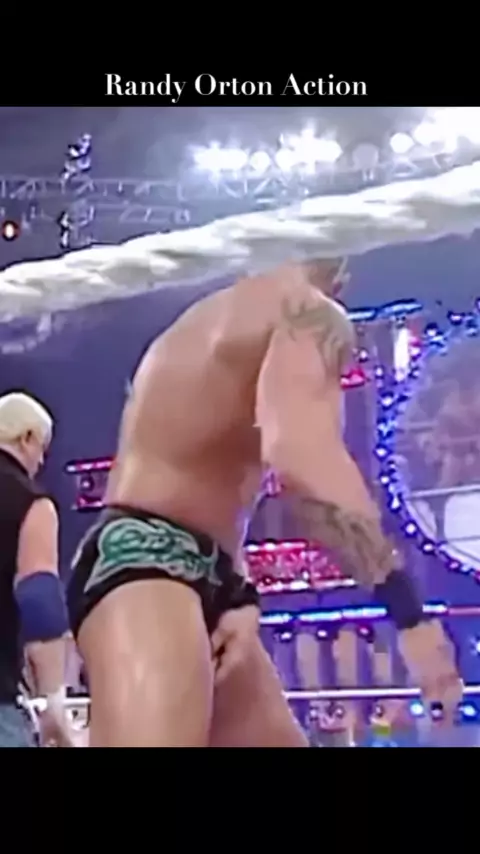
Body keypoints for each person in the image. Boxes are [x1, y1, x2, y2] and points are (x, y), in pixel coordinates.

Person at [67, 259, 462, 747]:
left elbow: (212, 480)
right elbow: (301, 455)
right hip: (147, 564)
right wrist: (408, 612)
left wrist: (239, 594)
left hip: (197, 569)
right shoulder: (307, 313)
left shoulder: (214, 318)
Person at [0, 392, 73, 747]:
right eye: (42, 449)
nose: (41, 461)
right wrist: (53, 705)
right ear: (26, 437)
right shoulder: (28, 501)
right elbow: (39, 602)